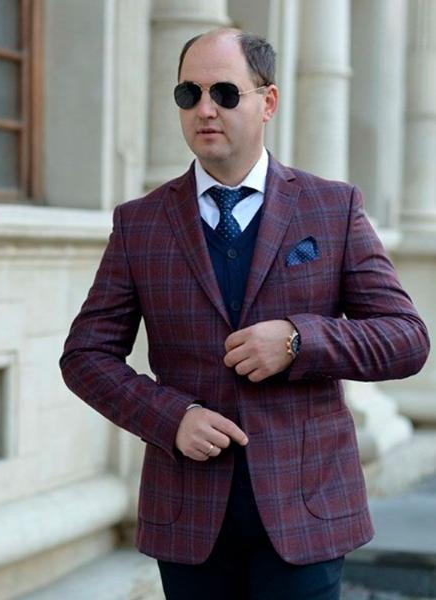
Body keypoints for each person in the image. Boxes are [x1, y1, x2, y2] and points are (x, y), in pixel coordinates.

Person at [60, 28, 430, 600]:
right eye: (189, 94)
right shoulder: (140, 223)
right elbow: (85, 356)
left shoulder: (332, 208)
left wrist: (298, 342)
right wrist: (171, 417)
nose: (205, 109)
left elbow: (406, 340)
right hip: (189, 516)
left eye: (225, 93)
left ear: (268, 101)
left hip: (306, 512)